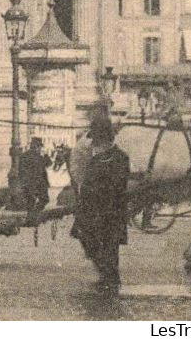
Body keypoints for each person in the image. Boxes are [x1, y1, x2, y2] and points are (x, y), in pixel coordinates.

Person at [72, 118, 130, 293]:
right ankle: (108, 277)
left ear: (104, 140)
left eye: (96, 140)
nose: (94, 144)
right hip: (94, 211)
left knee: (109, 246)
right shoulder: (98, 158)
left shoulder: (119, 158)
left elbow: (117, 185)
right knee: (92, 242)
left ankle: (110, 279)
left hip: (110, 212)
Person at [18, 137, 52, 226]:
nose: (40, 148)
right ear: (36, 146)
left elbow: (20, 170)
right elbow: (49, 164)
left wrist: (22, 182)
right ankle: (33, 217)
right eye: (40, 146)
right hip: (39, 183)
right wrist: (46, 155)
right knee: (44, 199)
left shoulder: (24, 156)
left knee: (30, 202)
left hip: (28, 183)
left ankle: (30, 219)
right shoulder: (39, 157)